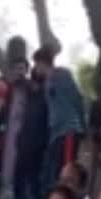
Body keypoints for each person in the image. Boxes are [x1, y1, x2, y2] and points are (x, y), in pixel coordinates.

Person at [32, 45, 86, 191]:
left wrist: (83, 126)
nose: (35, 68)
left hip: (68, 129)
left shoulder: (62, 75)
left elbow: (77, 99)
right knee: (54, 172)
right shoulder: (46, 83)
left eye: (36, 64)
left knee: (67, 170)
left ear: (42, 63)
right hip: (55, 133)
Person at [14, 68, 49, 199]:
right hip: (27, 144)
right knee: (23, 179)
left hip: (34, 146)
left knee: (32, 180)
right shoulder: (34, 98)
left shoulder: (41, 100)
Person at [0, 58, 31, 199]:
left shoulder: (30, 89)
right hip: (9, 134)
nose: (19, 71)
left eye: (22, 68)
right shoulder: (9, 88)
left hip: (24, 135)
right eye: (16, 68)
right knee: (7, 169)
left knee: (20, 172)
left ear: (26, 71)